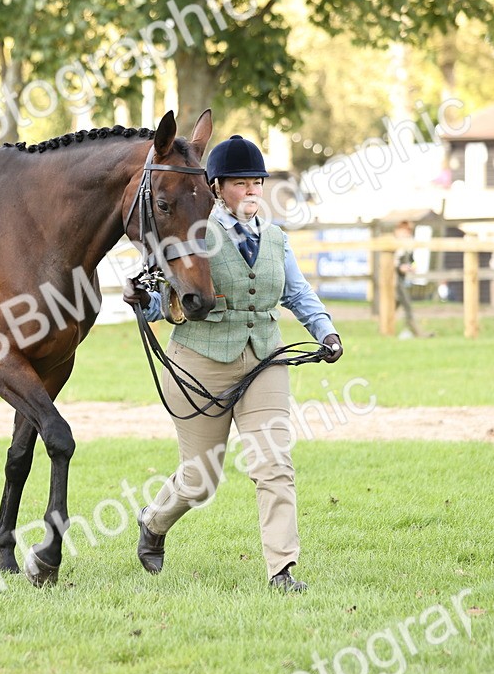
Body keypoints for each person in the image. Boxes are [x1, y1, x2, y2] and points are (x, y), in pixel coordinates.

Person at [123, 135, 342, 594]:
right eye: (241, 184)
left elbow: (296, 292)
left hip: (263, 357)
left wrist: (324, 330)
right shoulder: (192, 234)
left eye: (257, 183)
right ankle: (154, 523)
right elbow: (163, 303)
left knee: (274, 462)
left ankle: (281, 570)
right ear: (218, 187)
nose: (252, 191)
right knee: (200, 479)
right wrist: (143, 303)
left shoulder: (276, 238)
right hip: (199, 362)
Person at [392, 221, 432, 339]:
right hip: (394, 280)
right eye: (404, 231)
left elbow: (411, 259)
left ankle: (394, 330)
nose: (407, 234)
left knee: (396, 305)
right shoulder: (394, 244)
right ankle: (416, 332)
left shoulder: (407, 245)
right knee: (406, 305)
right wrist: (400, 268)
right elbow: (391, 263)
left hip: (402, 279)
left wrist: (412, 266)